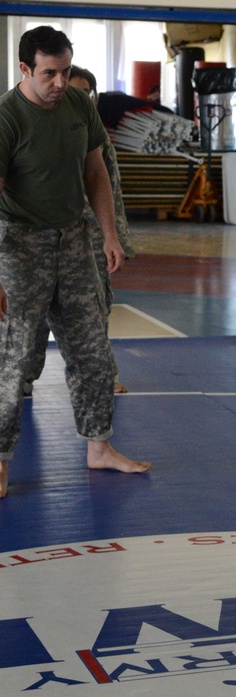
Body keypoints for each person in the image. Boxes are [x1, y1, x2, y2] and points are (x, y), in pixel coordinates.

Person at [0, 27, 151, 498]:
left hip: (74, 239)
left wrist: (108, 233)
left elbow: (95, 170)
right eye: (49, 73)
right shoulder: (7, 118)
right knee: (16, 357)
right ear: (25, 69)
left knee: (92, 350)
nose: (60, 82)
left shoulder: (78, 105)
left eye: (66, 71)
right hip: (20, 244)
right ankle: (0, 460)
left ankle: (99, 446)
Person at [23, 66, 132, 397]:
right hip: (42, 239)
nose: (77, 99)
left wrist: (115, 237)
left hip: (90, 239)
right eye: (71, 91)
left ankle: (101, 377)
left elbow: (110, 190)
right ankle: (22, 378)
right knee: (32, 313)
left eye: (85, 94)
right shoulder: (33, 130)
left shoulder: (98, 139)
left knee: (95, 309)